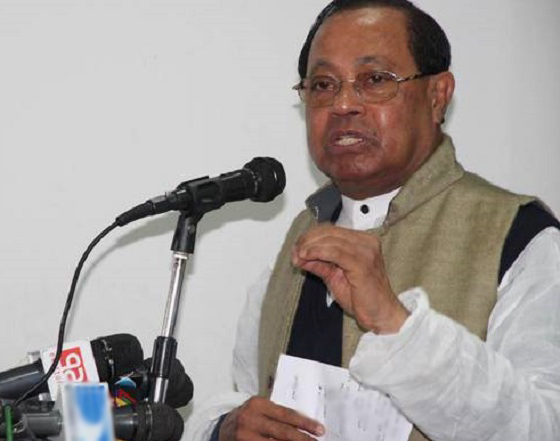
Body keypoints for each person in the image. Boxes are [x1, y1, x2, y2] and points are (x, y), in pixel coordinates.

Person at [183, 1, 560, 441]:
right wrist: (225, 429)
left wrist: (396, 323)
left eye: (375, 80)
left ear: (438, 96)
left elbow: (544, 426)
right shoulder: (299, 240)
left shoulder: (518, 236)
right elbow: (249, 392)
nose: (343, 104)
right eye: (323, 85)